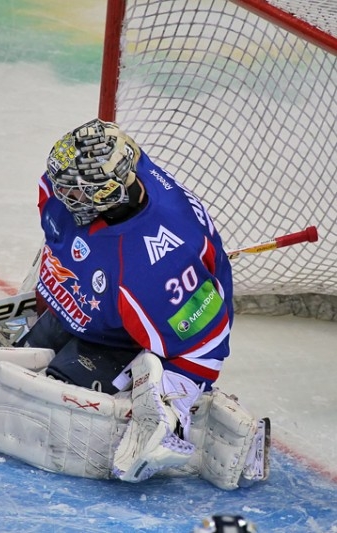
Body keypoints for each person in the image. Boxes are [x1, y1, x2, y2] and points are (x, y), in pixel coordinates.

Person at [14, 118, 269, 484]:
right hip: (103, 300)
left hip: (131, 333)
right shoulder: (122, 166)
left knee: (57, 409)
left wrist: (175, 397)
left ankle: (196, 426)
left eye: (74, 189)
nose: (59, 192)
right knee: (25, 362)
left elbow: (207, 340)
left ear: (106, 194)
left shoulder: (153, 271)